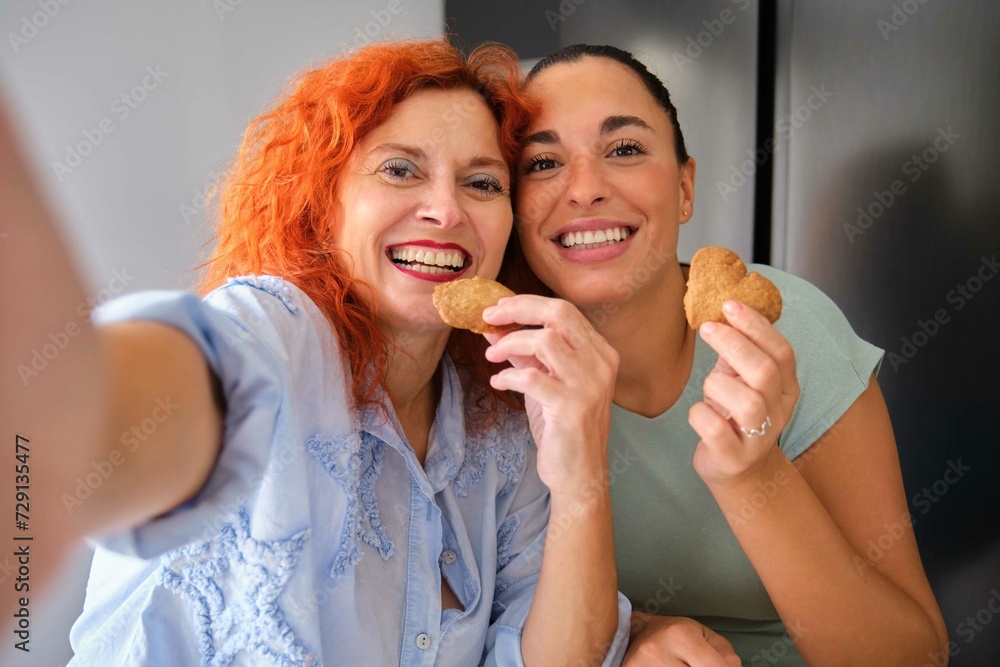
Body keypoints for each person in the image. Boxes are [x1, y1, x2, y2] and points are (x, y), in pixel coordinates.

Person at [1, 40, 632, 665]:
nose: (445, 210)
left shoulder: (500, 421)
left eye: (481, 182)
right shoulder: (279, 332)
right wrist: (69, 425)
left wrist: (581, 472)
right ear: (321, 204)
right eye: (400, 169)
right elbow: (105, 413)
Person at [483, 43, 950, 665]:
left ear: (684, 187)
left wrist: (753, 475)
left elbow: (916, 657)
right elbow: (479, 627)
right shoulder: (492, 371)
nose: (585, 189)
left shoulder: (786, 329)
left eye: (624, 149)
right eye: (543, 162)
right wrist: (634, 633)